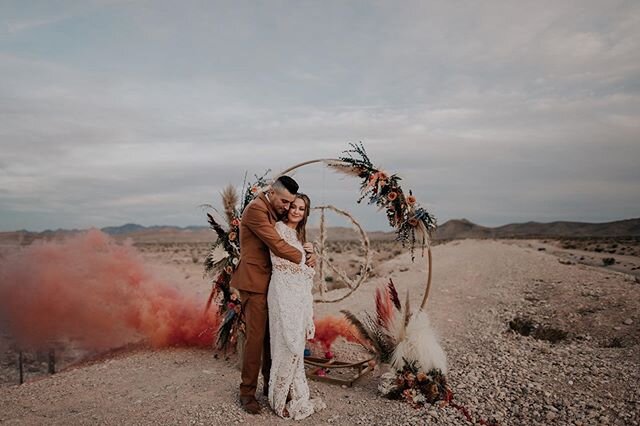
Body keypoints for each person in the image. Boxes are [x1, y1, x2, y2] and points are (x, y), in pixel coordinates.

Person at [230, 175, 316, 415]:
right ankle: (247, 393)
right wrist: (303, 258)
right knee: (256, 339)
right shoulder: (256, 210)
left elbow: (292, 231)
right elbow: (277, 244)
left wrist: (311, 252)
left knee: (272, 338)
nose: (287, 207)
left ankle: (271, 387)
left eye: (291, 203)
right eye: (285, 201)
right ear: (272, 192)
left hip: (272, 286)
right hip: (254, 282)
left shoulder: (274, 209)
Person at [267, 193, 325, 420]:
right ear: (288, 207)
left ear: (305, 214)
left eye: (302, 209)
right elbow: (279, 262)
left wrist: (311, 258)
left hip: (297, 297)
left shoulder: (299, 238)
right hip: (282, 294)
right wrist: (304, 263)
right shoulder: (278, 229)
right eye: (294, 207)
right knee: (285, 344)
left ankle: (294, 393)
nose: (297, 211)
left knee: (296, 347)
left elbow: (304, 268)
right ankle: (278, 398)